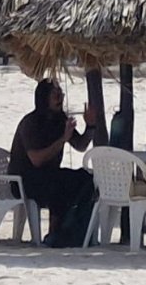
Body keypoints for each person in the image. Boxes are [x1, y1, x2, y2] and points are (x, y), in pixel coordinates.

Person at [7, 79, 99, 239]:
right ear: (44, 98)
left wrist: (90, 126)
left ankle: (75, 230)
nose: (60, 99)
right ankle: (55, 233)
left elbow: (80, 145)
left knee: (87, 180)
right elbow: (36, 160)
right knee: (58, 184)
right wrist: (63, 139)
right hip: (24, 180)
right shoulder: (31, 123)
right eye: (55, 95)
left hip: (50, 175)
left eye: (61, 95)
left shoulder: (60, 120)